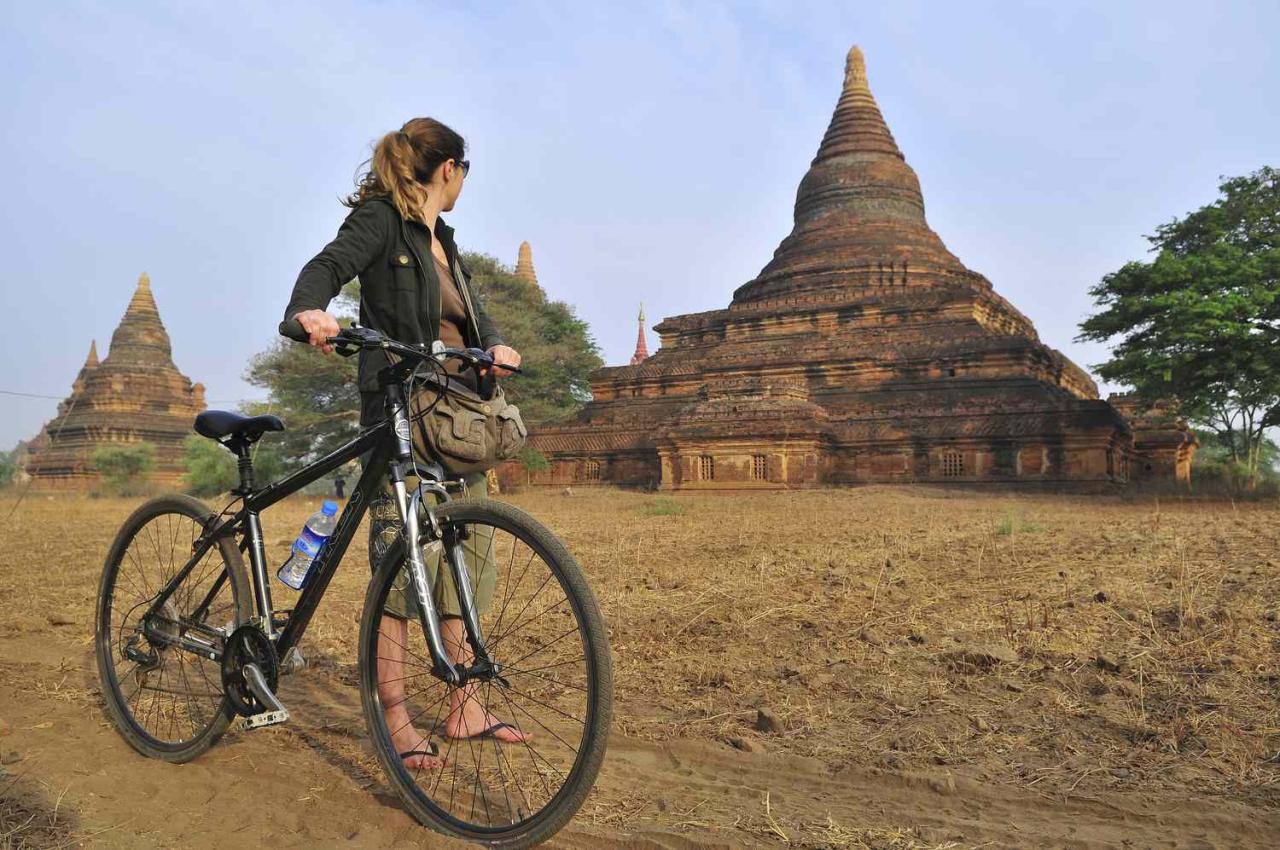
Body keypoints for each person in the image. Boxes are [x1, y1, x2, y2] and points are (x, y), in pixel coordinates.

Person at [282, 117, 528, 769]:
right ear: (450, 169)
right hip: (400, 408)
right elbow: (327, 267)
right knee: (399, 562)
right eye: (465, 173)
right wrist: (311, 310)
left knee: (471, 552)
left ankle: (466, 704)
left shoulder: (442, 238)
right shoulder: (382, 221)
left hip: (459, 413)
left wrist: (496, 346)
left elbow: (469, 312)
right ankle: (392, 717)